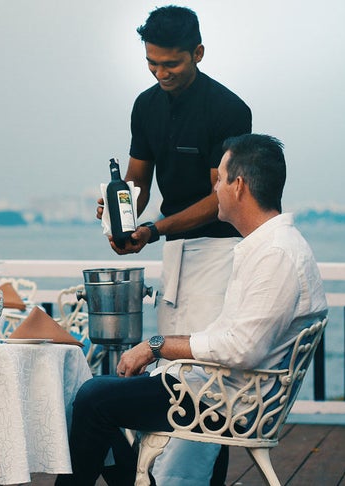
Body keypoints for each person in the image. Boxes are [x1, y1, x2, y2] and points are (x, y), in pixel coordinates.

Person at [60, 134, 328, 486]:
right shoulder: (272, 246)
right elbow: (234, 339)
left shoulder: (275, 254)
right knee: (97, 394)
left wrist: (156, 346)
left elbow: (241, 348)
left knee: (94, 398)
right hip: (224, 388)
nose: (214, 188)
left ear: (239, 186)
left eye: (219, 179)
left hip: (225, 399)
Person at [96, 6, 251, 483]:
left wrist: (155, 228)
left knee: (209, 382)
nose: (160, 73)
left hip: (221, 252)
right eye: (152, 64)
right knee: (172, 375)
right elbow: (138, 183)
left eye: (172, 64)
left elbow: (220, 200)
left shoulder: (229, 109)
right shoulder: (145, 105)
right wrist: (120, 210)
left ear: (198, 53)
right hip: (173, 252)